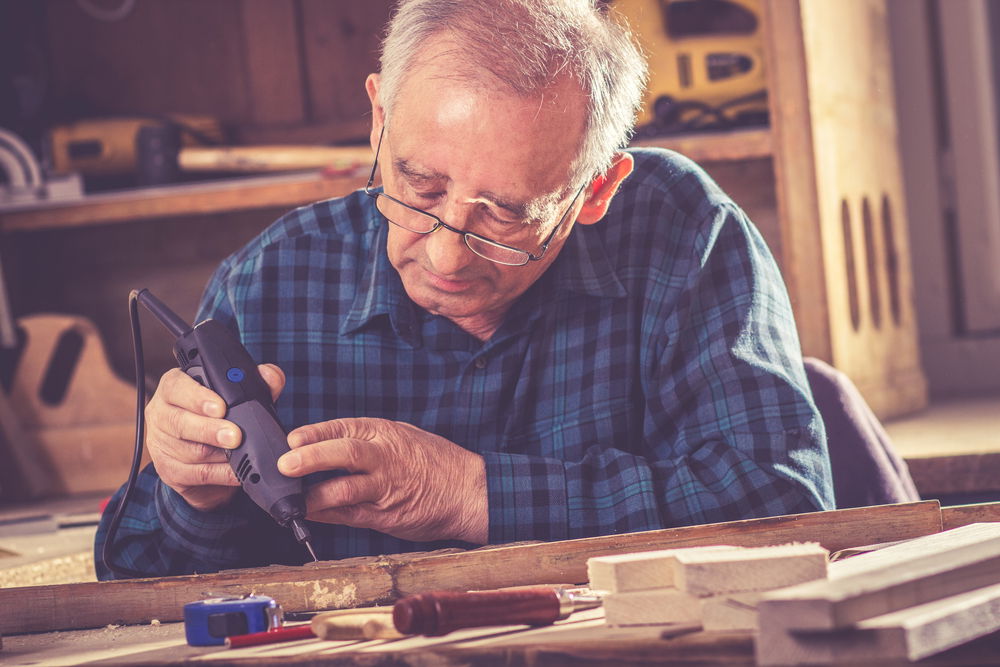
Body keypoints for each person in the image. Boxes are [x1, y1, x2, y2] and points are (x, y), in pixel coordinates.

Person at [95, 0, 833, 579]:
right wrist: (194, 494)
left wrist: (473, 494)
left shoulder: (682, 235)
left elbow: (786, 503)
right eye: (419, 186)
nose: (447, 252)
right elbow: (129, 566)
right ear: (380, 119)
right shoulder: (271, 281)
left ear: (596, 189)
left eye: (507, 214)